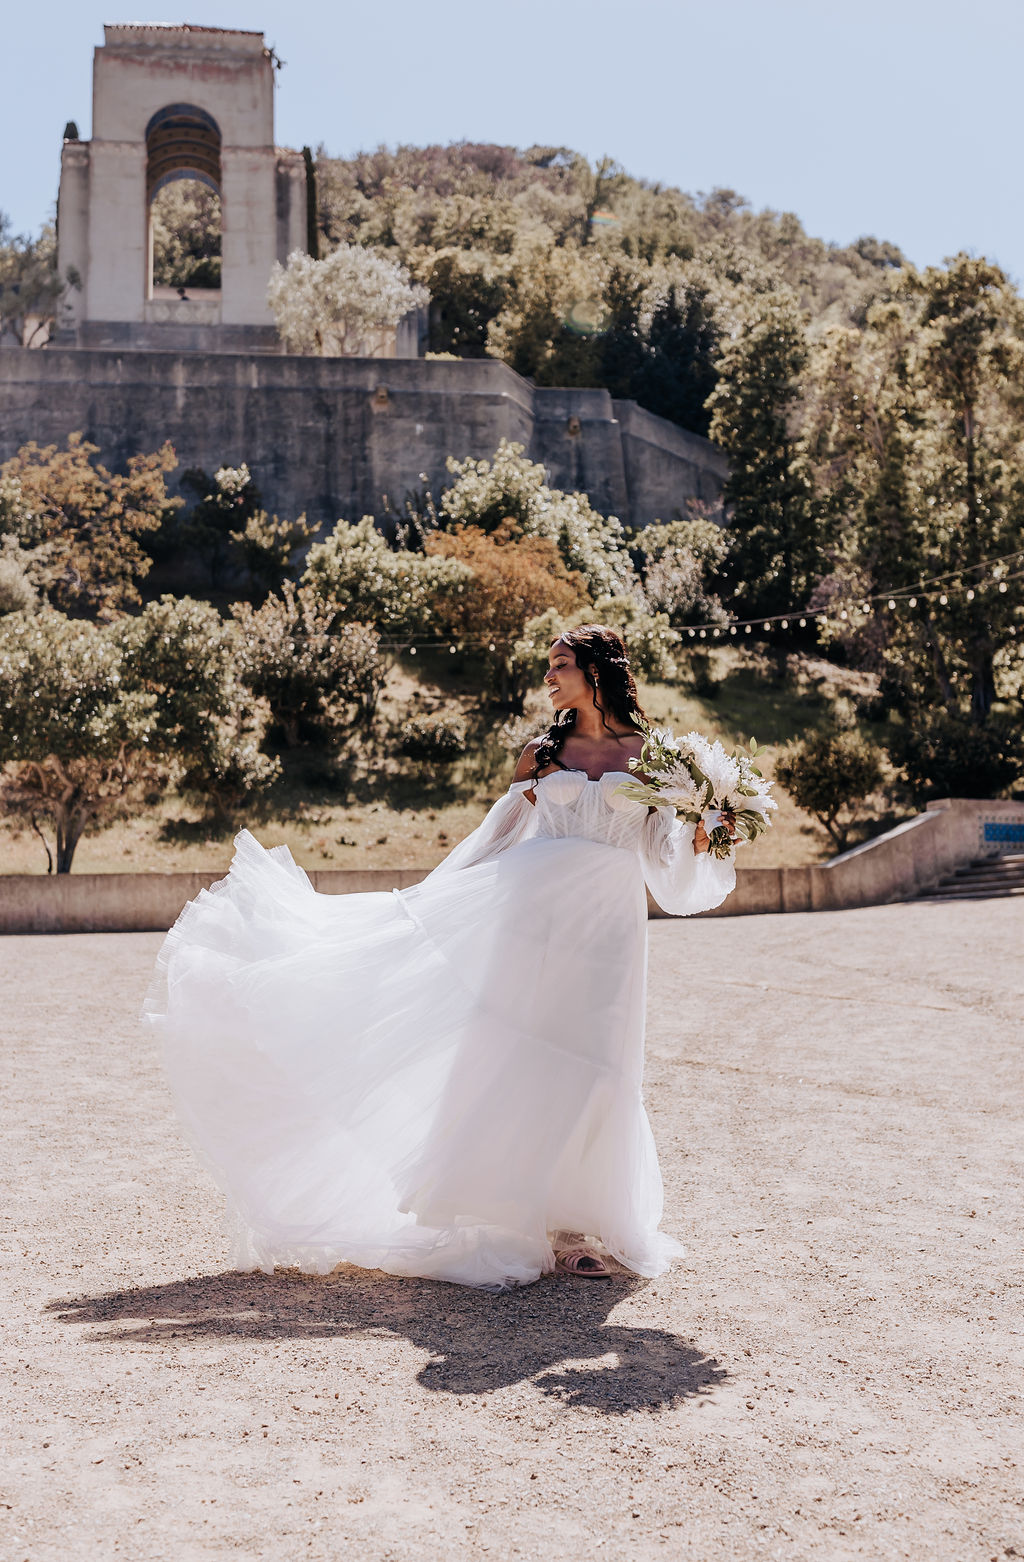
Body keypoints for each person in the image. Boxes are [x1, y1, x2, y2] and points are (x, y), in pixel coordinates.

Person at [144, 625, 736, 1291]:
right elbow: (500, 837)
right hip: (532, 921)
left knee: (600, 1060)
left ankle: (581, 1221)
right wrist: (434, 903)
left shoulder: (655, 760)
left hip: (609, 929)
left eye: (561, 665)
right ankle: (537, 1224)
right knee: (523, 1057)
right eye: (548, 666)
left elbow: (662, 857)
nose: (548, 678)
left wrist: (704, 837)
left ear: (597, 671)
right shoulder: (542, 753)